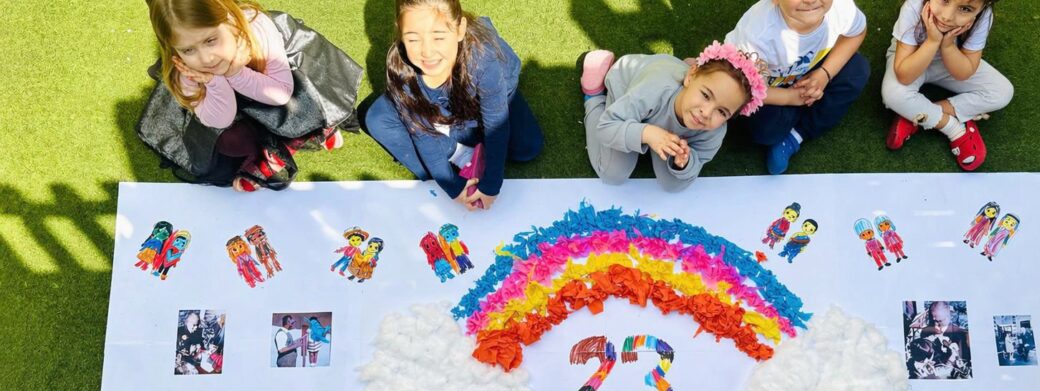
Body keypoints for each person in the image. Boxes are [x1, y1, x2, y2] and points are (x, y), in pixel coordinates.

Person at [138, 0, 363, 191]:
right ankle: (267, 152)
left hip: (284, 88)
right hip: (236, 107)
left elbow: (281, 94)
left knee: (309, 102)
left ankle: (314, 130)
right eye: (188, 50)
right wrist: (215, 81)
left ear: (227, 19)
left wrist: (235, 72)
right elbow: (220, 120)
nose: (206, 59)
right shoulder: (185, 71)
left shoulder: (256, 27)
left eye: (210, 40)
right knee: (228, 143)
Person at [362, 0, 543, 211]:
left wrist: (492, 185)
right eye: (413, 39)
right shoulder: (403, 71)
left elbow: (496, 122)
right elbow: (423, 136)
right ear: (400, 33)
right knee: (377, 120)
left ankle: (461, 141)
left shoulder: (483, 59)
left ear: (459, 30)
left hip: (484, 97)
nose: (427, 52)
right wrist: (454, 187)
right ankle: (458, 151)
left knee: (527, 147)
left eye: (438, 37)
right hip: (443, 113)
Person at [578, 41, 767, 191]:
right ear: (691, 76)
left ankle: (686, 78)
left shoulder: (715, 131)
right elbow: (606, 127)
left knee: (673, 184)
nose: (706, 113)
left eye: (722, 111)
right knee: (613, 174)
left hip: (661, 112)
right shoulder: (654, 88)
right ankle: (593, 97)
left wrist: (683, 163)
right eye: (706, 95)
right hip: (629, 86)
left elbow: (692, 168)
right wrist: (647, 133)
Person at [725, 0, 870, 174]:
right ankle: (799, 115)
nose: (810, 1)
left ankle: (795, 136)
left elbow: (857, 32)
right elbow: (744, 88)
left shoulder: (841, 8)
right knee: (764, 130)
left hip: (814, 71)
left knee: (858, 70)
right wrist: (790, 98)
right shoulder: (758, 35)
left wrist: (825, 73)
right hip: (761, 87)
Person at [882, 0, 1011, 171]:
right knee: (893, 95)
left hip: (951, 59)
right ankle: (954, 128)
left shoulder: (984, 16)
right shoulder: (913, 6)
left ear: (980, 9)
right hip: (912, 58)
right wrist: (932, 42)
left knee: (1003, 92)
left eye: (965, 9)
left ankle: (917, 114)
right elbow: (904, 75)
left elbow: (963, 73)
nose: (947, 17)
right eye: (945, 0)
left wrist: (948, 45)